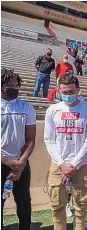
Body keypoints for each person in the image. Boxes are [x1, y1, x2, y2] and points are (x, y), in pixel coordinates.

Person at [44, 71, 87, 230]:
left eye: (71, 92)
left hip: (81, 165)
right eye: (64, 92)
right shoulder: (53, 110)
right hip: (58, 164)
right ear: (59, 90)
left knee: (80, 208)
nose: (67, 95)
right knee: (57, 206)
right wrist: (62, 164)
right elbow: (49, 139)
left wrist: (74, 164)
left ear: (78, 90)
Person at [1, 68, 36, 230]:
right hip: (2, 161)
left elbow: (30, 139)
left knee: (23, 201)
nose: (13, 88)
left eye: (16, 85)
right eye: (9, 85)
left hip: (21, 162)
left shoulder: (26, 107)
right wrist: (7, 161)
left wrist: (19, 164)